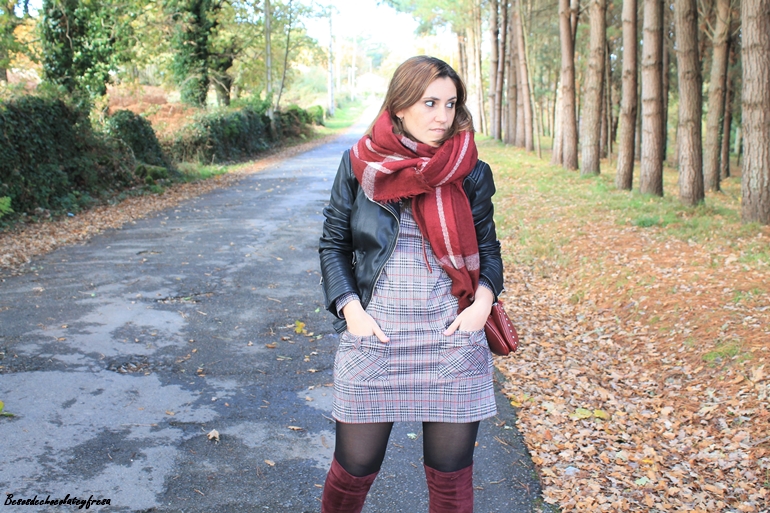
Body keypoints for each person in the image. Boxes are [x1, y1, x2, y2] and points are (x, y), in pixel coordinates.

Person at [318, 55, 504, 513]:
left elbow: (489, 250)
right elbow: (333, 244)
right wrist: (352, 311)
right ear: (400, 106)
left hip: (450, 337)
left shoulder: (470, 170)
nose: (442, 116)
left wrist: (481, 306)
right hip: (375, 336)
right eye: (429, 103)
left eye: (450, 104)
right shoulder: (359, 165)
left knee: (450, 478)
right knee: (353, 470)